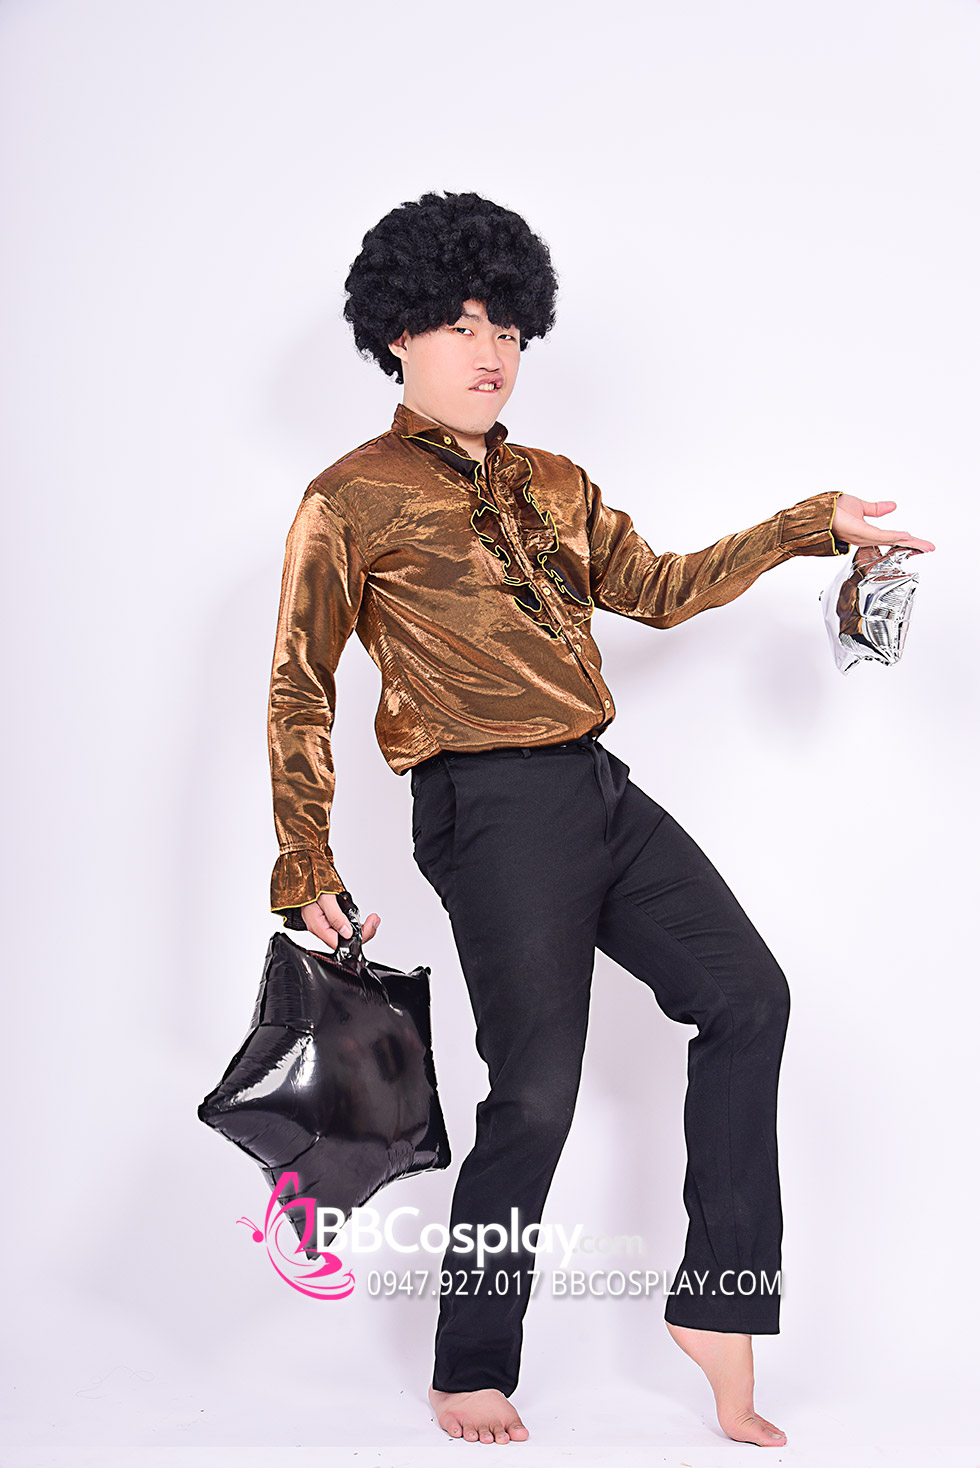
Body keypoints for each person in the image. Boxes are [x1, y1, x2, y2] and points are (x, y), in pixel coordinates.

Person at [266, 191, 935, 1448]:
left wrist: (807, 528)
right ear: (398, 334)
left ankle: (717, 1304)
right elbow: (300, 681)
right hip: (484, 808)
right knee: (535, 1094)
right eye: (460, 324)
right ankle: (470, 1363)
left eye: (507, 329)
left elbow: (661, 589)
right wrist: (305, 852)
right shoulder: (345, 497)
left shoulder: (557, 483)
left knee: (746, 997)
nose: (488, 352)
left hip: (595, 787)